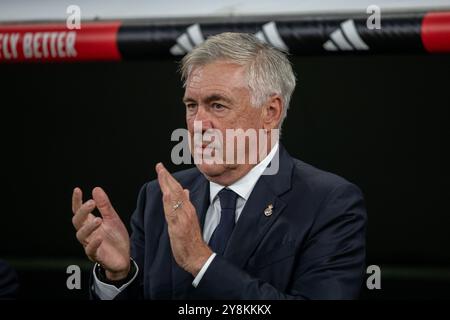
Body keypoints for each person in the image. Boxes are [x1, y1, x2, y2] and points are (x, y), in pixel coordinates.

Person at [71, 32, 367, 300]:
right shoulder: (157, 198)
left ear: (271, 112)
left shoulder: (329, 203)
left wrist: (202, 262)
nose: (198, 124)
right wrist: (119, 276)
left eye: (217, 105)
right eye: (191, 106)